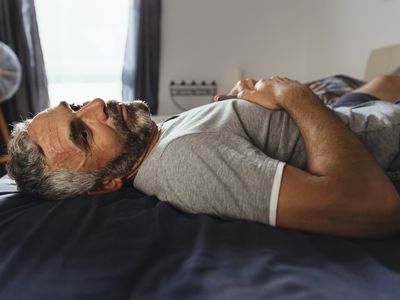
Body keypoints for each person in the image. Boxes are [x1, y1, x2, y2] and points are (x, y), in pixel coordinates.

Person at [6, 75, 400, 238]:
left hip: (353, 111)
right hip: (387, 130)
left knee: (381, 79)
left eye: (75, 106)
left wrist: (237, 104)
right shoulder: (184, 162)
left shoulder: (153, 139)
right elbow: (371, 207)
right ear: (106, 184)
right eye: (83, 132)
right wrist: (291, 95)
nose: (95, 105)